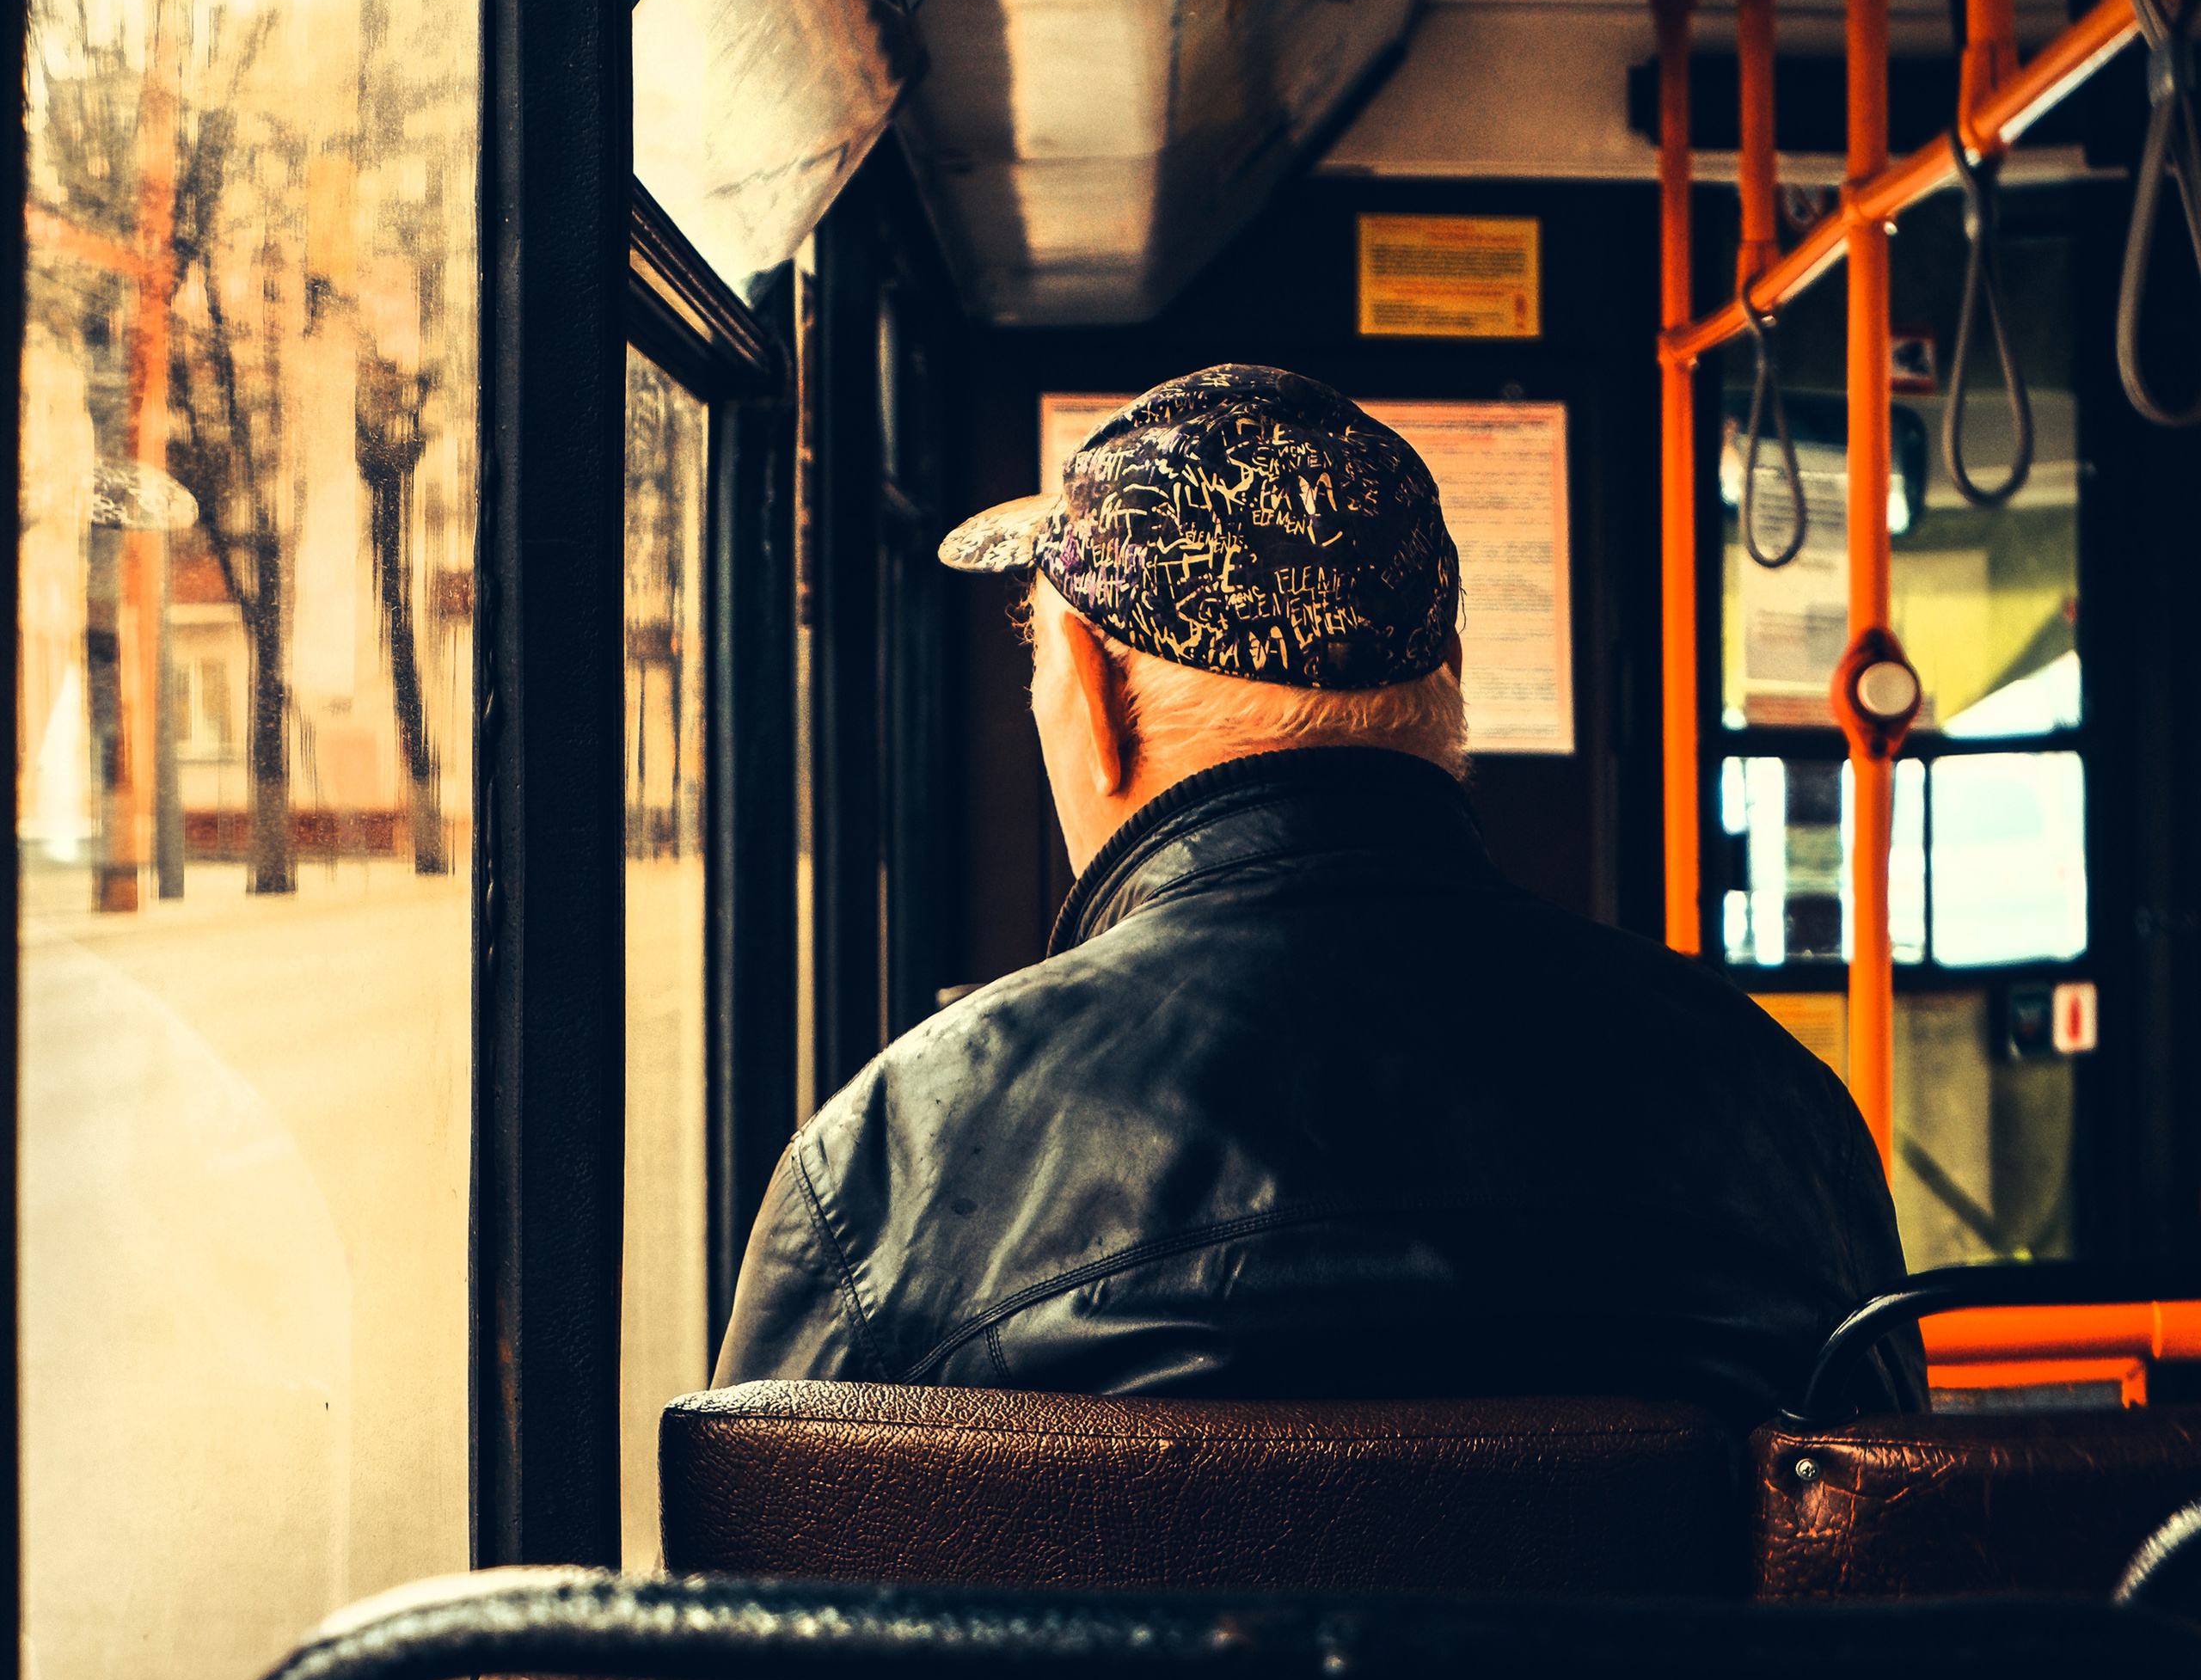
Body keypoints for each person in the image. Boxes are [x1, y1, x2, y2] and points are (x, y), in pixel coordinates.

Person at [714, 365, 1923, 1422]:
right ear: (1449, 685)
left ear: (1087, 697)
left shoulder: (893, 1163)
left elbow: (747, 1656)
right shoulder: (1778, 1115)